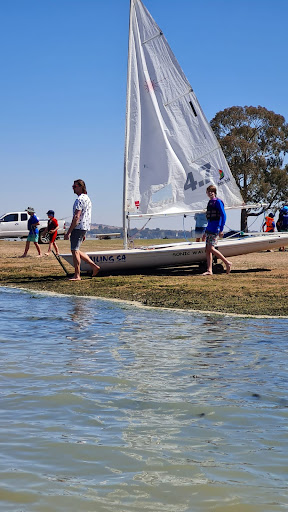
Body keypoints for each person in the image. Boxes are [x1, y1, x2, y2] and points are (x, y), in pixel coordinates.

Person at [64, 179, 100, 281]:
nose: (73, 188)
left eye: (75, 186)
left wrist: (69, 232)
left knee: (74, 250)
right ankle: (94, 266)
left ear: (81, 187)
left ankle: (77, 275)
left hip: (78, 227)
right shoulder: (87, 198)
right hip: (84, 227)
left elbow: (77, 217)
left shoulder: (79, 199)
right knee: (76, 249)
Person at [202, 185, 232, 276]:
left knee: (210, 248)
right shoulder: (210, 202)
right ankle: (209, 270)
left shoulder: (218, 202)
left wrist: (221, 229)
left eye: (212, 191)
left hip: (215, 228)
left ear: (215, 192)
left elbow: (224, 215)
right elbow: (209, 219)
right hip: (209, 228)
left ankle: (227, 262)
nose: (210, 193)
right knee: (207, 250)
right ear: (207, 193)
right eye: (209, 191)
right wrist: (205, 232)